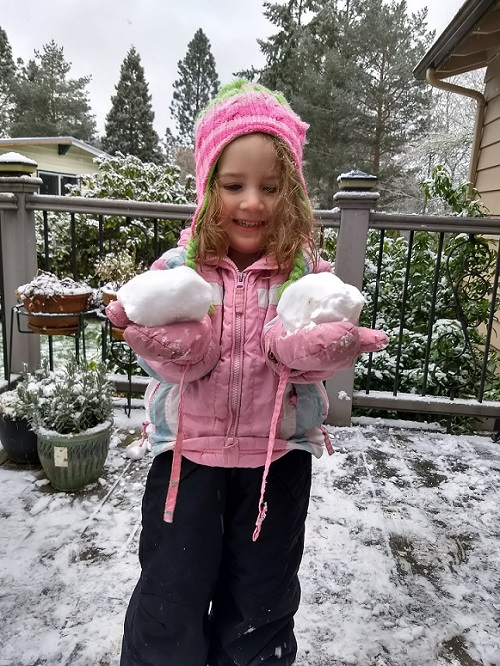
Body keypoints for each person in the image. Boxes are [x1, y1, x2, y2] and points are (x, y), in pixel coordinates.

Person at [107, 79, 388, 666]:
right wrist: (168, 345)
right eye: (234, 185)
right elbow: (167, 358)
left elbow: (296, 348)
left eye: (271, 186)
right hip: (187, 464)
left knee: (261, 601)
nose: (252, 202)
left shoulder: (306, 272)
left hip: (275, 464)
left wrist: (319, 348)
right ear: (208, 188)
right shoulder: (177, 268)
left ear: (295, 193)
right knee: (170, 596)